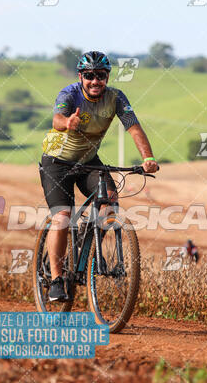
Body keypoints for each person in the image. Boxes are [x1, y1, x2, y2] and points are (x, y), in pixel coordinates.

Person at [39, 50, 159, 301]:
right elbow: (57, 118)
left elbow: (133, 127)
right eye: (90, 75)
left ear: (107, 76)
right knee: (62, 216)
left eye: (101, 76)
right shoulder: (69, 94)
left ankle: (86, 241)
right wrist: (66, 123)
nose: (95, 81)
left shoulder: (116, 97)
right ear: (81, 76)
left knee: (110, 203)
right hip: (57, 161)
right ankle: (57, 278)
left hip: (87, 161)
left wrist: (147, 158)